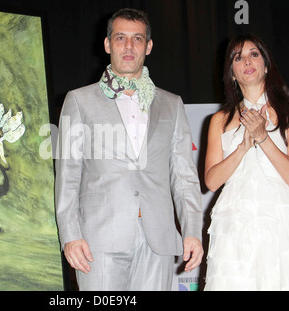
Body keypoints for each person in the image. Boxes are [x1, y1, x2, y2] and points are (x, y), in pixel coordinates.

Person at [54, 8, 203, 291]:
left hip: (157, 238)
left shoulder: (171, 104)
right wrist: (70, 235)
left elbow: (184, 176)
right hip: (98, 239)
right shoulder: (79, 101)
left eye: (137, 38)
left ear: (148, 46)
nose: (129, 46)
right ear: (108, 44)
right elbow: (68, 176)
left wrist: (192, 231)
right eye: (120, 38)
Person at [204, 34, 289, 290]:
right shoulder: (220, 120)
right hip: (234, 223)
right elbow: (211, 181)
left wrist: (262, 137)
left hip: (278, 222)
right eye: (238, 57)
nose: (247, 61)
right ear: (231, 73)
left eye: (254, 54)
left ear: (266, 65)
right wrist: (244, 146)